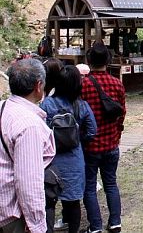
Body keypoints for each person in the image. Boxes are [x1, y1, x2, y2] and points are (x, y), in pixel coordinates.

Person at [0, 59, 55, 233]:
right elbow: (28, 181)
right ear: (38, 86)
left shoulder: (2, 107)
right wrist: (37, 225)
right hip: (12, 214)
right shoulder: (29, 125)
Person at [41, 66, 97, 233]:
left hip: (51, 160)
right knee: (73, 203)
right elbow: (92, 131)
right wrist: (78, 140)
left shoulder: (47, 104)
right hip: (74, 160)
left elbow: (40, 131)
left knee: (48, 202)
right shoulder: (81, 105)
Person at [81, 43, 126, 233]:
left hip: (89, 145)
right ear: (108, 61)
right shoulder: (117, 83)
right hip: (111, 143)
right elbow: (122, 112)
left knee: (89, 187)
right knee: (111, 183)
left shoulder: (82, 84)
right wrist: (117, 134)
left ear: (89, 61)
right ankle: (115, 222)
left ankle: (96, 226)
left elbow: (78, 113)